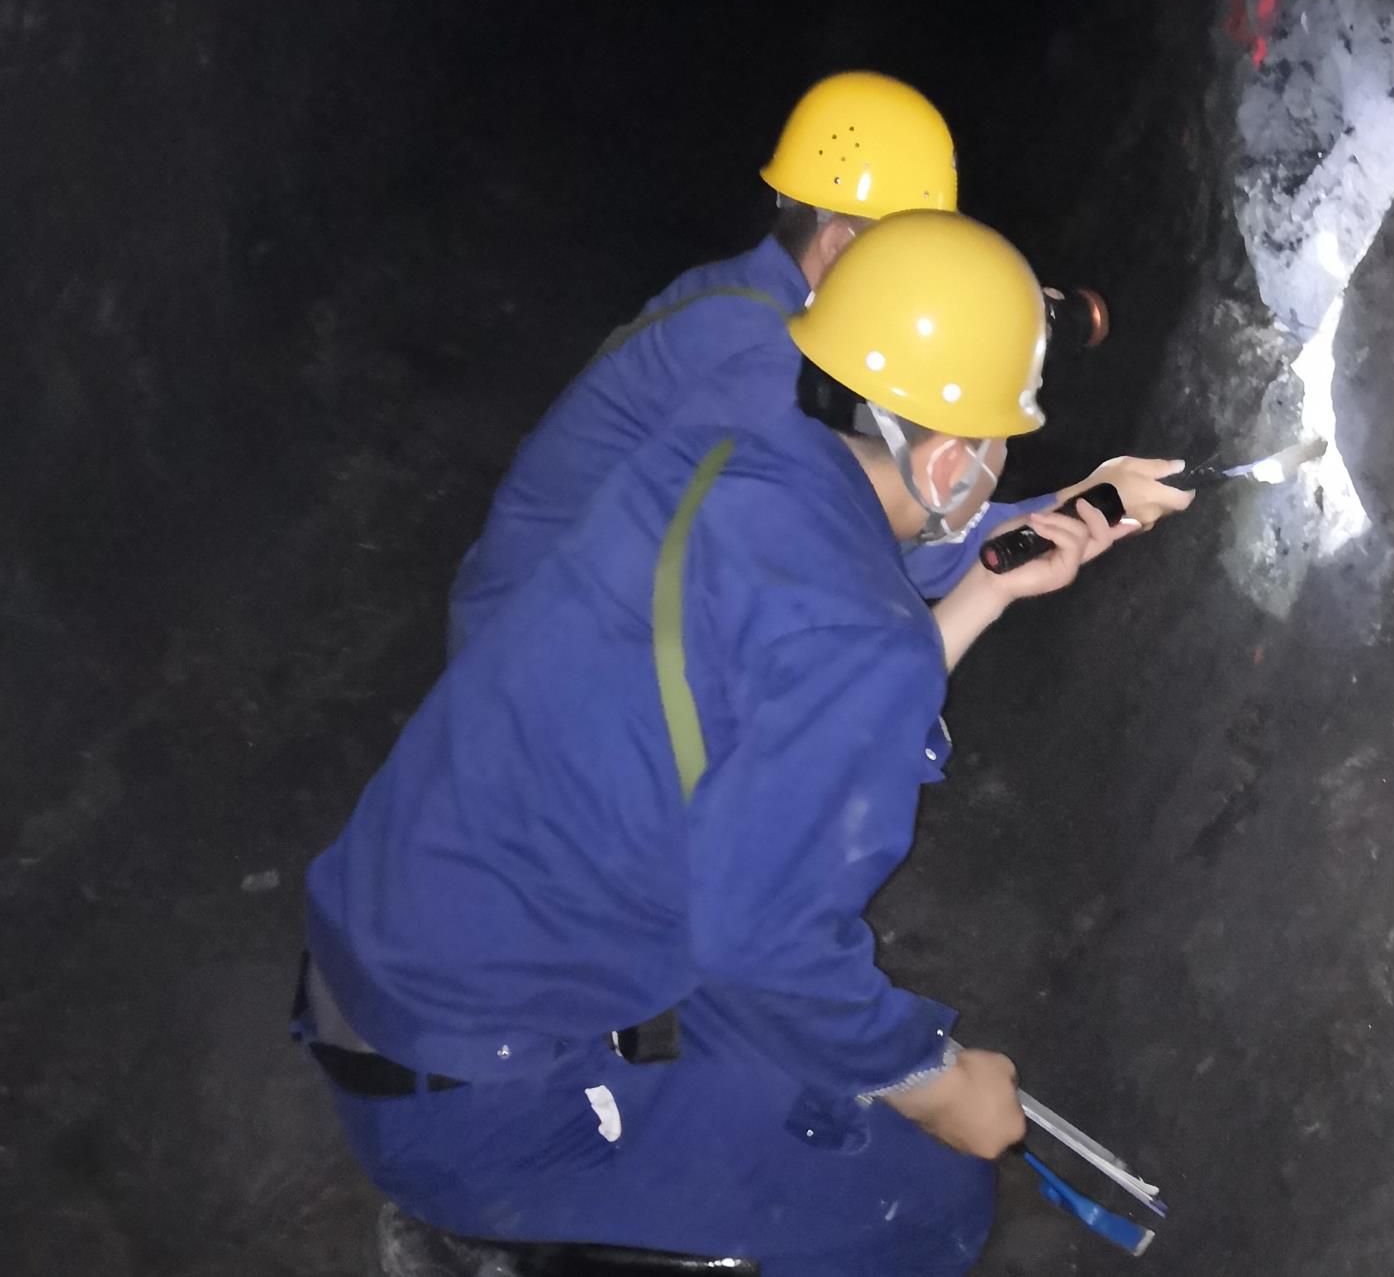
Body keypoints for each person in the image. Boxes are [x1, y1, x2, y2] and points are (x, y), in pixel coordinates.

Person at [300, 212, 1119, 1275]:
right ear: (954, 459)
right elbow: (768, 937)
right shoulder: (857, 635)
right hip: (475, 1096)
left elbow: (800, 689)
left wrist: (986, 590)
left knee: (808, 1067)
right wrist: (934, 1078)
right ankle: (490, 1242)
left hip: (390, 962)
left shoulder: (717, 458)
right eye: (1001, 440)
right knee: (925, 1209)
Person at [448, 69, 1190, 655]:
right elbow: (897, 534)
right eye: (899, 248)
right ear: (837, 245)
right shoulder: (767, 358)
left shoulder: (741, 295)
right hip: (540, 652)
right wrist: (1084, 504)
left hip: (548, 607)